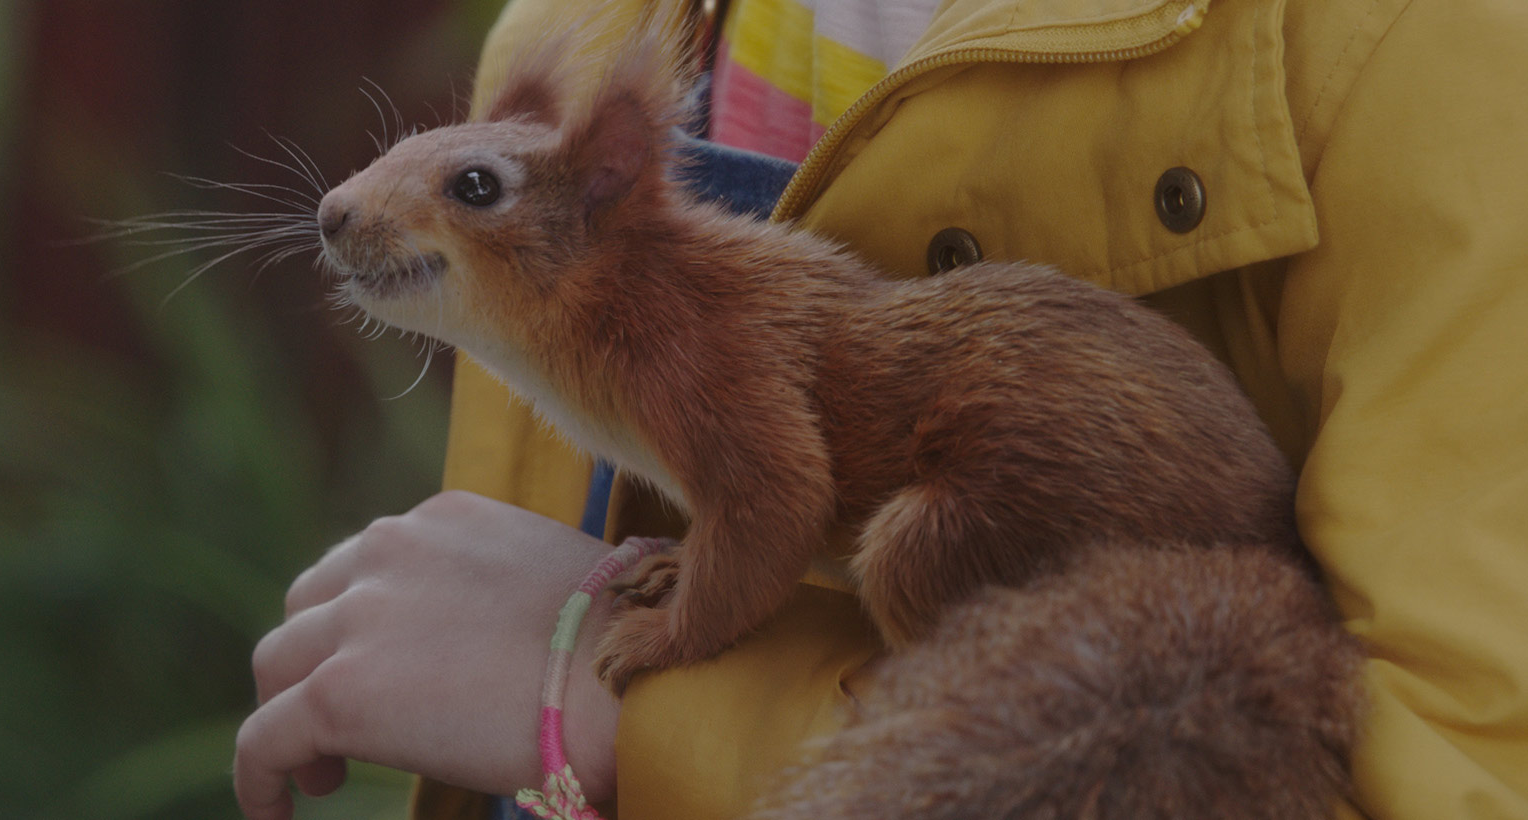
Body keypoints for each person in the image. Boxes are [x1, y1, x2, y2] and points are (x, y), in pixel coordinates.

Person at [234, 0, 1528, 818]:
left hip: (1001, 486)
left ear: (615, 179)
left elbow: (1449, 764)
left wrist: (622, 705)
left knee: (913, 563)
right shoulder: (569, 41)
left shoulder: (1415, 45)